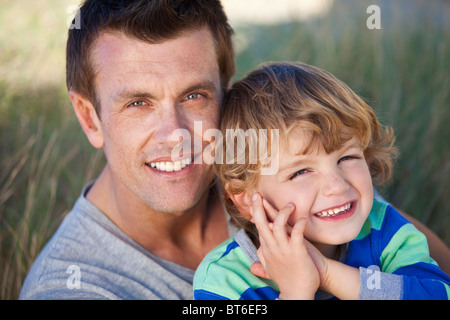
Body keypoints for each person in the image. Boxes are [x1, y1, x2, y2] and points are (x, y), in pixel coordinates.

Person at [19, 0, 449, 300]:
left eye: (194, 96)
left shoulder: (276, 174)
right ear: (90, 117)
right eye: (138, 103)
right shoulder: (73, 288)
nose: (175, 135)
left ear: (226, 93)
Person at [193, 62, 450, 300]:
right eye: (301, 172)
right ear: (248, 200)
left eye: (347, 157)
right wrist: (297, 292)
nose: (338, 185)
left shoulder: (384, 231)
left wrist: (327, 273)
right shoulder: (224, 280)